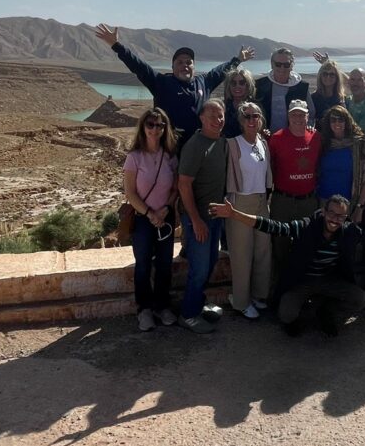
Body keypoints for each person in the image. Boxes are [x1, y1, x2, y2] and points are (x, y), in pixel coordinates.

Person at [209, 195, 365, 337]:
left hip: (330, 282)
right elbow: (273, 226)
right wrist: (234, 214)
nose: (335, 220)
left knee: (360, 299)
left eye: (341, 216)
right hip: (302, 282)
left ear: (346, 218)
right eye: (332, 213)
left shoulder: (348, 231)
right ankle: (307, 312)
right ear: (324, 211)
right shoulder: (308, 226)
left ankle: (323, 309)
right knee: (286, 316)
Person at [95, 24, 254, 150]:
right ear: (172, 67)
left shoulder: (203, 82)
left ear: (194, 66)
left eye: (188, 62)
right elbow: (139, 66)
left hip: (199, 147)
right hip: (169, 149)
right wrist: (116, 45)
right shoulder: (161, 83)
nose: (184, 65)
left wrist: (238, 59)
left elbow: (221, 71)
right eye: (180, 62)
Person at [123, 107, 179, 332]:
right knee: (143, 265)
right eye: (151, 124)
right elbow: (130, 193)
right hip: (144, 219)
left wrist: (166, 209)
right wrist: (150, 214)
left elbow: (175, 188)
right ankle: (144, 309)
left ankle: (162, 306)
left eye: (160, 125)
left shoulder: (170, 157)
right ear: (143, 127)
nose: (155, 129)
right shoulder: (134, 157)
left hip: (165, 217)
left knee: (165, 264)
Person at [176, 99, 228, 334]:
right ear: (202, 119)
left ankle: (197, 303)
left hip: (215, 215)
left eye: (221, 115)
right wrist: (195, 221)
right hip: (198, 217)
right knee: (199, 268)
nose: (218, 120)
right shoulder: (195, 145)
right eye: (213, 116)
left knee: (210, 264)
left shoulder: (221, 143)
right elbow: (184, 185)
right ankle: (187, 315)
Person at [267, 98, 322, 296]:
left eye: (302, 114)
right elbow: (270, 168)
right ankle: (280, 292)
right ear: (288, 116)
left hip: (308, 201)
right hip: (283, 200)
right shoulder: (277, 138)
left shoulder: (316, 138)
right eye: (294, 114)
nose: (298, 117)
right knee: (280, 248)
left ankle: (304, 292)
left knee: (306, 247)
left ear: (308, 116)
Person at [224, 102, 272, 319]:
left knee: (263, 250)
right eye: (247, 117)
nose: (252, 120)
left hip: (261, 202)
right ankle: (241, 301)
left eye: (256, 116)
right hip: (239, 203)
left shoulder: (263, 142)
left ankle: (259, 295)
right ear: (241, 121)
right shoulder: (233, 145)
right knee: (241, 254)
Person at [316, 104, 365, 225]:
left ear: (347, 122)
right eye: (333, 120)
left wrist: (359, 208)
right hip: (323, 202)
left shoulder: (359, 145)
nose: (337, 123)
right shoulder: (323, 143)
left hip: (348, 205)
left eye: (340, 120)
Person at [255, 48, 315, 131]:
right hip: (264, 137)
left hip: (291, 139)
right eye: (278, 64)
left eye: (286, 65)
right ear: (272, 64)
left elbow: (311, 113)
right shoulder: (260, 85)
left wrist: (308, 128)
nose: (282, 68)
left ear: (292, 66)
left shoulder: (301, 87)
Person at [222, 67, 256, 138]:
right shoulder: (222, 107)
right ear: (229, 86)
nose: (237, 86)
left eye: (242, 83)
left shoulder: (255, 107)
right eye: (233, 83)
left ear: (248, 85)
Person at [311, 59, 346, 125]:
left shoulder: (342, 99)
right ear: (320, 76)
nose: (328, 77)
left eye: (332, 74)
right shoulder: (313, 98)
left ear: (337, 77)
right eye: (325, 74)